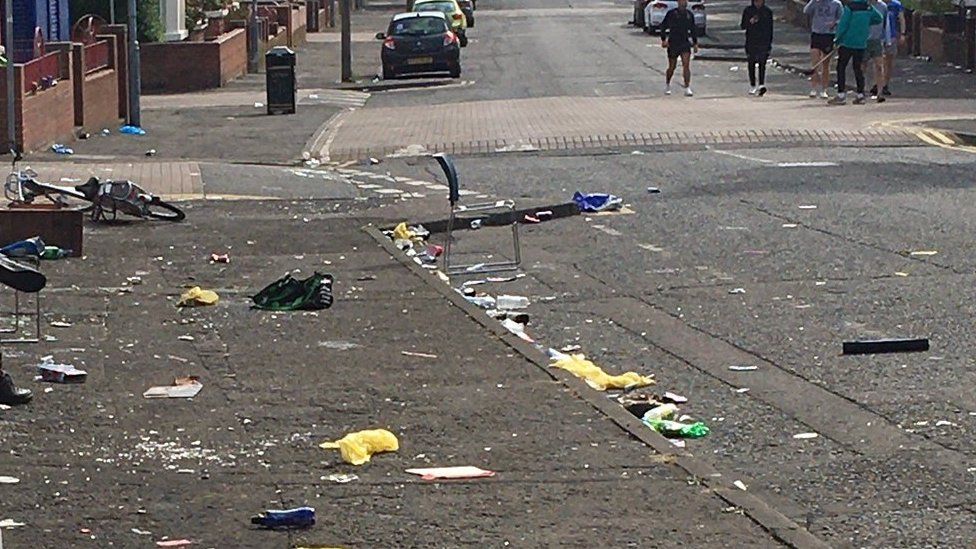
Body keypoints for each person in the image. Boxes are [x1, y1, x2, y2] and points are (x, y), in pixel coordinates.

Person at [829, 0, 882, 105]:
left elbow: (843, 24)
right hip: (861, 43)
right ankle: (860, 94)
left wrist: (837, 38)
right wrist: (866, 22)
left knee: (841, 67)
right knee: (858, 69)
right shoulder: (868, 7)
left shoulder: (850, 7)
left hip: (847, 42)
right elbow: (879, 18)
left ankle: (841, 94)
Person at [803, 0, 843, 98]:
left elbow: (842, 18)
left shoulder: (836, 3)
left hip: (829, 34)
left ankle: (824, 89)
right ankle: (814, 87)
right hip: (816, 33)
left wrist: (835, 23)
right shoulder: (816, 2)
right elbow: (806, 11)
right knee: (815, 62)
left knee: (826, 63)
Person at [661, 0, 699, 97]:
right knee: (672, 67)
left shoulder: (689, 15)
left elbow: (693, 29)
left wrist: (695, 43)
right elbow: (663, 26)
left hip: (684, 42)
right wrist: (663, 39)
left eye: (685, 1)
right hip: (673, 42)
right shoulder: (672, 13)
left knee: (686, 65)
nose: (684, 3)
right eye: (682, 1)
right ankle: (668, 84)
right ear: (678, 2)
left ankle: (687, 87)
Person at [741, 0, 774, 96]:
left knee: (762, 62)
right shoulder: (748, 11)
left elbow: (770, 28)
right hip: (751, 40)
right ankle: (752, 84)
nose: (758, 3)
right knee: (751, 62)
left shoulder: (767, 12)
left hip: (763, 41)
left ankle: (761, 84)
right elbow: (743, 26)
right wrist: (750, 22)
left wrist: (769, 43)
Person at [865, 0, 889, 102]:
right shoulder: (864, 5)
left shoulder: (882, 6)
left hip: (877, 40)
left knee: (879, 66)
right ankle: (862, 91)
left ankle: (880, 93)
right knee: (862, 66)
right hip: (864, 39)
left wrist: (887, 40)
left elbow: (885, 23)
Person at [882, 0, 906, 96]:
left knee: (889, 61)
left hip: (892, 36)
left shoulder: (896, 5)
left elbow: (901, 19)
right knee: (880, 61)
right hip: (879, 36)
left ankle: (886, 84)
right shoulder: (877, 3)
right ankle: (879, 83)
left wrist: (902, 34)